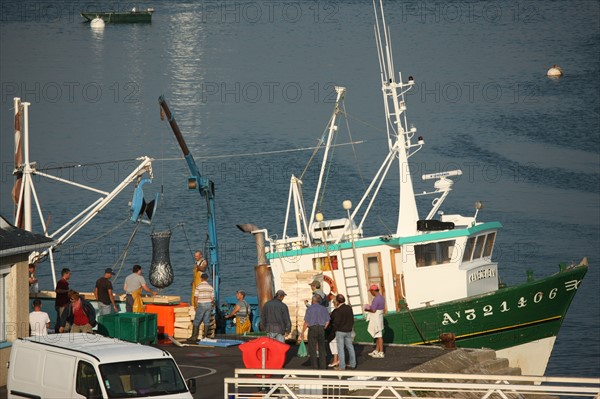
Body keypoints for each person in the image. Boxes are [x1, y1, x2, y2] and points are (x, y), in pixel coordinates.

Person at [299, 294, 330, 369]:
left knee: (312, 348)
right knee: (322, 347)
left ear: (313, 301)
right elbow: (327, 321)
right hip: (321, 328)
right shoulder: (324, 309)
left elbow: (306, 322)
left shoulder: (309, 309)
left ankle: (315, 367)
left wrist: (302, 332)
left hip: (312, 329)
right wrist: (324, 327)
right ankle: (323, 366)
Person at [331, 294, 356, 370]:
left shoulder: (337, 310)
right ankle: (353, 364)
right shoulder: (349, 308)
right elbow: (352, 319)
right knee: (350, 347)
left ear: (337, 301)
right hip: (348, 330)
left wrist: (335, 328)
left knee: (340, 349)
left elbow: (336, 322)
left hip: (340, 331)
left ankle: (342, 366)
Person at [188, 273, 214, 342]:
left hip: (201, 304)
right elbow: (212, 298)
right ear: (207, 279)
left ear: (201, 278)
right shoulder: (210, 287)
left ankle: (194, 337)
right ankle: (205, 337)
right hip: (209, 304)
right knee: (206, 321)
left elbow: (195, 297)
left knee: (197, 321)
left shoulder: (199, 286)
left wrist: (196, 306)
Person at [364, 284, 385, 358]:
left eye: (371, 291)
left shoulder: (376, 299)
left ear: (373, 291)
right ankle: (377, 350)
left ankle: (381, 352)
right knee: (377, 334)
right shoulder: (382, 298)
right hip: (379, 317)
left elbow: (373, 310)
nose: (370, 293)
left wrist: (366, 308)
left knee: (379, 335)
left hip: (376, 318)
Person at [54, 268, 71, 332]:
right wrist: (67, 291)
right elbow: (57, 290)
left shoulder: (64, 282)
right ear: (65, 274)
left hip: (61, 304)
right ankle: (63, 331)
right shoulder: (61, 282)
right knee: (62, 319)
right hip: (62, 304)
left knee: (60, 319)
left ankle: (57, 331)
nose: (70, 276)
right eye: (69, 274)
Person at [327, 296, 340, 368]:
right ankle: (339, 360)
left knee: (334, 346)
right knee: (339, 346)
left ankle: (335, 360)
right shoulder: (343, 310)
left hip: (335, 331)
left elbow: (331, 320)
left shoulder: (335, 312)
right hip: (342, 330)